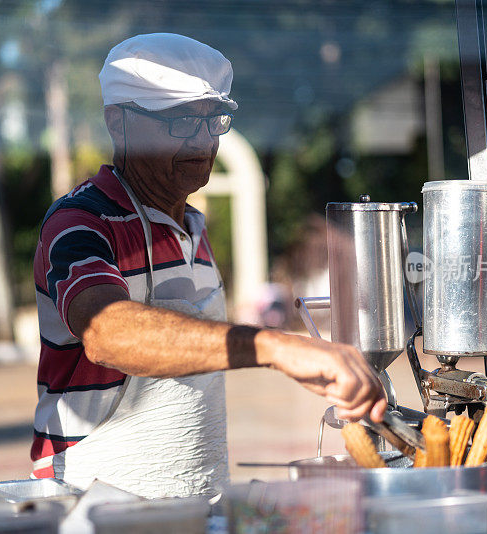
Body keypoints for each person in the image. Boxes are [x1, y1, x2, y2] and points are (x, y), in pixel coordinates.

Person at [31, 33, 386, 498]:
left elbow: (191, 349)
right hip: (89, 507)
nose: (202, 141)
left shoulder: (194, 226)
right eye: (179, 122)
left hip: (192, 502)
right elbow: (108, 332)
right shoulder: (79, 222)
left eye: (212, 121)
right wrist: (275, 347)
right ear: (117, 123)